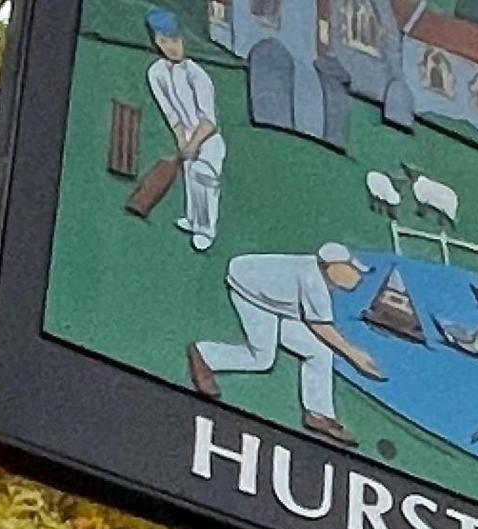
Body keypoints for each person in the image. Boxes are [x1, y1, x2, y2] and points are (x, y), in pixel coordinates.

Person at [188, 243, 386, 446]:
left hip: (279, 303)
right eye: (351, 268)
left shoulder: (321, 277)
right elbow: (320, 326)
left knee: (319, 352)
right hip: (251, 293)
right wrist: (356, 356)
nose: (357, 276)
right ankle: (206, 355)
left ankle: (318, 415)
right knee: (262, 359)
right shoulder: (313, 280)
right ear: (332, 266)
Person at [143, 11, 220, 252]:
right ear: (158, 43)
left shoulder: (198, 75)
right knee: (189, 177)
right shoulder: (156, 74)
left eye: (176, 40)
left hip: (209, 139)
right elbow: (171, 114)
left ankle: (206, 230)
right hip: (186, 137)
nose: (173, 47)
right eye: (166, 42)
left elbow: (209, 121)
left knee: (204, 178)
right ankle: (192, 219)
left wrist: (193, 144)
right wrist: (181, 141)